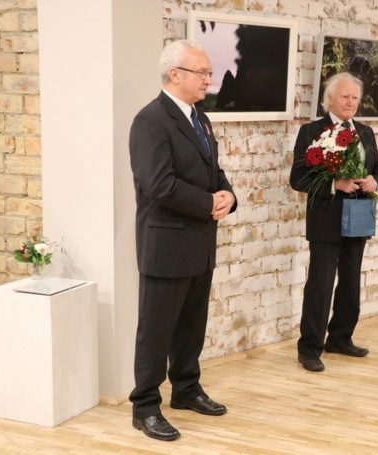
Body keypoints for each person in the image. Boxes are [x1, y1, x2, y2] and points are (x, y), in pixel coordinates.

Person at [128, 40, 237, 441]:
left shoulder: (200, 118)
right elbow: (159, 184)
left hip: (199, 242)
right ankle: (145, 407)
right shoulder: (150, 121)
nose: (209, 79)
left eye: (209, 72)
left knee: (192, 325)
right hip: (166, 244)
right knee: (156, 330)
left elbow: (213, 172)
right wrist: (208, 203)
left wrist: (228, 196)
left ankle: (186, 389)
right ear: (175, 74)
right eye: (202, 72)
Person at [290, 72, 378, 372]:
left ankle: (341, 338)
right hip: (326, 217)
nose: (351, 102)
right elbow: (298, 178)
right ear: (329, 99)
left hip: (359, 214)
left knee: (351, 280)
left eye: (355, 97)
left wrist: (375, 182)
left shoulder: (366, 132)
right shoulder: (311, 131)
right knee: (320, 284)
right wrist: (335, 184)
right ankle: (309, 348)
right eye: (345, 96)